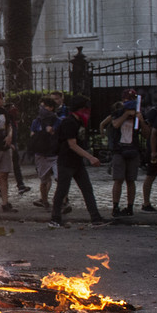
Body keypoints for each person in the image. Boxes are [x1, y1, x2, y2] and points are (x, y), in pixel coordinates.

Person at [49, 96, 107, 228]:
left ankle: (95, 218)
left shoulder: (79, 122)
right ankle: (55, 218)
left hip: (76, 162)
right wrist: (90, 157)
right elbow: (72, 145)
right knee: (62, 191)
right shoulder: (69, 122)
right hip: (66, 162)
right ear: (80, 109)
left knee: (87, 189)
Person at [99, 89, 145, 217]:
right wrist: (125, 114)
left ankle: (130, 207)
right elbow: (115, 124)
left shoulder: (139, 115)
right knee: (118, 179)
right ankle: (115, 206)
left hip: (133, 149)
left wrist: (141, 120)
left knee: (131, 180)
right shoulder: (118, 113)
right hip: (120, 150)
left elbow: (146, 133)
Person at [29, 97, 60, 209]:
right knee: (44, 180)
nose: (42, 109)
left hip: (54, 153)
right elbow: (32, 135)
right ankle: (44, 201)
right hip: (41, 154)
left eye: (44, 106)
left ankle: (61, 200)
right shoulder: (36, 121)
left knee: (59, 178)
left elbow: (56, 133)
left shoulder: (56, 120)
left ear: (51, 108)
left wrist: (51, 131)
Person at [5, 103, 30, 195]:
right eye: (12, 108)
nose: (14, 110)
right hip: (8, 146)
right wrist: (10, 144)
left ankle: (20, 185)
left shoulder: (12, 120)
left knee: (16, 166)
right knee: (4, 169)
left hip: (14, 145)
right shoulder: (8, 120)